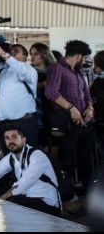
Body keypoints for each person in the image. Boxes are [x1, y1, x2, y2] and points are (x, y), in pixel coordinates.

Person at [0, 127, 61, 217]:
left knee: (11, 203)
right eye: (7, 138)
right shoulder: (11, 158)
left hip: (47, 203)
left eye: (14, 137)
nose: (10, 141)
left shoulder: (37, 155)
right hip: (27, 199)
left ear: (23, 140)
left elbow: (24, 184)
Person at [45, 39, 95, 189]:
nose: (85, 61)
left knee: (86, 159)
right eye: (84, 57)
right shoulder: (57, 68)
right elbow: (51, 92)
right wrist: (71, 108)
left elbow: (87, 94)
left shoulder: (79, 72)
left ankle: (86, 193)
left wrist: (90, 108)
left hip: (84, 122)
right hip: (65, 122)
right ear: (79, 56)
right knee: (68, 160)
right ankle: (69, 196)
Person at [0, 42, 39, 148]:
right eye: (11, 51)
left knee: (28, 156)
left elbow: (21, 72)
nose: (12, 53)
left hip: (24, 122)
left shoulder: (28, 70)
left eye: (16, 51)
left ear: (25, 56)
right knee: (8, 157)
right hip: (5, 124)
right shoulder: (2, 71)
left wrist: (5, 55)